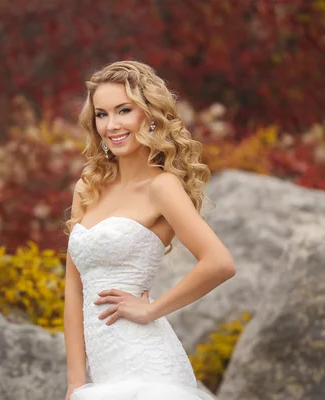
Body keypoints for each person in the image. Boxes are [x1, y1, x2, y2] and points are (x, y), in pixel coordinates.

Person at [63, 61, 236, 400]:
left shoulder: (162, 187)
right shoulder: (88, 186)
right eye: (101, 114)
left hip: (149, 370)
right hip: (103, 375)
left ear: (150, 114)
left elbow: (219, 263)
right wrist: (75, 381)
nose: (111, 125)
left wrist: (151, 309)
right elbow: (73, 286)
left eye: (124, 110)